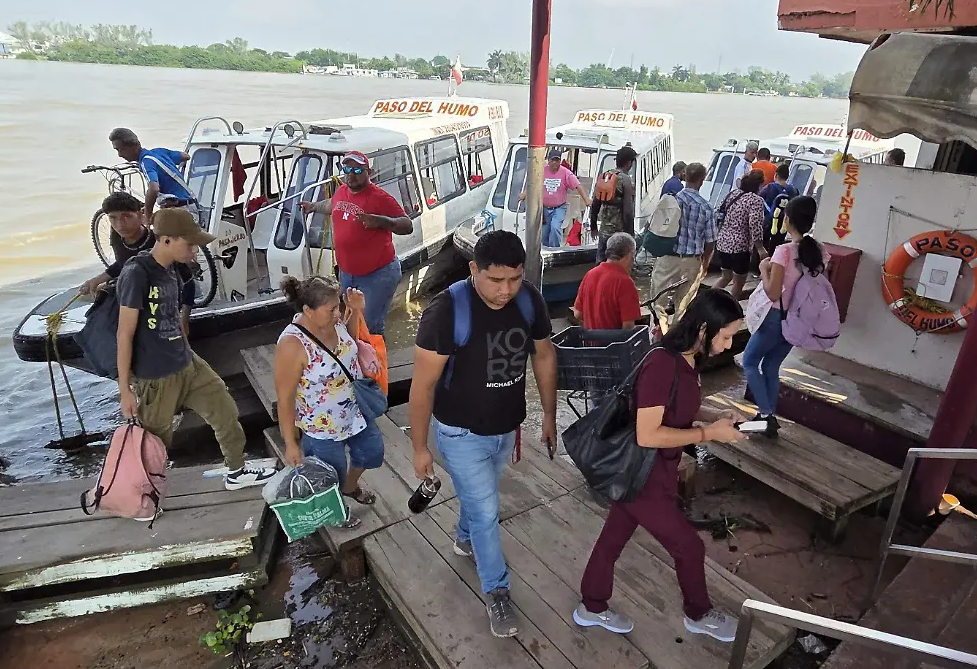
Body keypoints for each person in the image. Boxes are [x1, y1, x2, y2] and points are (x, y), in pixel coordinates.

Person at [409, 230, 558, 638]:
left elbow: (544, 355)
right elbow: (421, 386)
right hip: (459, 433)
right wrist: (419, 448)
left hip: (506, 427)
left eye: (513, 279)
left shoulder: (529, 299)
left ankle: (463, 538)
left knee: (481, 501)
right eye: (495, 281)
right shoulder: (447, 310)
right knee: (488, 512)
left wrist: (548, 413)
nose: (506, 291)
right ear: (474, 269)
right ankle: (497, 591)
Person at [574, 289, 745, 641]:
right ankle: (698, 614)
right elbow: (648, 433)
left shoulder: (688, 360)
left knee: (613, 538)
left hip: (656, 470)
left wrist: (715, 415)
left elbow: (679, 406)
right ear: (703, 330)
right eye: (726, 336)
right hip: (643, 473)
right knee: (689, 546)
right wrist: (708, 435)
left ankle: (591, 606)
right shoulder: (662, 363)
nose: (728, 346)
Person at [116, 208, 275, 494]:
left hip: (187, 362)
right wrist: (125, 388)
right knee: (155, 441)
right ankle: (141, 493)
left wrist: (188, 351)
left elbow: (173, 319)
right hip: (156, 375)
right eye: (189, 244)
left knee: (225, 409)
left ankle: (236, 470)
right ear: (165, 240)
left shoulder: (174, 270)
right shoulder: (136, 273)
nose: (194, 250)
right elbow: (124, 333)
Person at [273, 275, 385, 529]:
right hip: (321, 426)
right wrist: (290, 443)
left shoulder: (335, 322)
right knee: (329, 475)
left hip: (356, 411)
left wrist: (355, 311)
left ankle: (349, 486)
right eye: (332, 309)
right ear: (307, 311)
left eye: (339, 307)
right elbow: (285, 398)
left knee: (372, 452)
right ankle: (336, 511)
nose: (338, 314)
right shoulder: (292, 345)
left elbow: (351, 343)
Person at [300, 151, 413, 335]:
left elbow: (407, 225)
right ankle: (356, 361)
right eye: (347, 169)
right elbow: (331, 205)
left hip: (377, 275)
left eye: (357, 170)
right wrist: (312, 207)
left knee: (369, 327)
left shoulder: (380, 198)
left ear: (369, 172)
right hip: (347, 274)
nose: (351, 174)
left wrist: (383, 221)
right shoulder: (342, 190)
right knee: (350, 320)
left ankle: (376, 363)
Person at [742, 196, 826, 436]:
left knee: (749, 362)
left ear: (787, 220)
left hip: (775, 318)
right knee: (771, 365)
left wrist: (763, 270)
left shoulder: (784, 252)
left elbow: (772, 292)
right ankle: (766, 415)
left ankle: (767, 416)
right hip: (797, 320)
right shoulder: (818, 251)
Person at [81, 193, 196, 333]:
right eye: (113, 218)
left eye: (126, 216)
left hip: (164, 296)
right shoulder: (118, 236)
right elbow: (122, 263)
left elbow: (188, 281)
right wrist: (95, 281)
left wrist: (184, 320)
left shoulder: (160, 241)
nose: (119, 224)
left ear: (141, 215)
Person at [650, 163, 715, 318]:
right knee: (683, 306)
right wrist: (705, 264)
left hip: (667, 258)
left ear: (685, 176)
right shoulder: (706, 207)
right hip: (691, 261)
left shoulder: (671, 200)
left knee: (657, 302)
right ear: (702, 180)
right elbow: (710, 241)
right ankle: (675, 336)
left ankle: (658, 332)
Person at [109, 128, 194, 222]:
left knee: (158, 233)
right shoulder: (159, 152)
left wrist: (148, 213)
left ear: (133, 146)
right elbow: (186, 156)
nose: (119, 155)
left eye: (121, 149)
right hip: (191, 205)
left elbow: (154, 188)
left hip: (179, 211)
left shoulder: (146, 162)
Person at [713, 170, 769, 300]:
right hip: (740, 247)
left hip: (723, 243)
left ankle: (707, 299)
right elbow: (755, 224)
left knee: (725, 277)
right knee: (738, 285)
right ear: (760, 185)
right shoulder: (756, 200)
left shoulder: (732, 194)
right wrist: (760, 248)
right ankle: (729, 310)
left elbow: (719, 213)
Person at [522, 150, 591, 248]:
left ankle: (554, 250)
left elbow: (578, 186)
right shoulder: (541, 171)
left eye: (557, 160)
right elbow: (532, 183)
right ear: (548, 160)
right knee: (544, 233)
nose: (554, 162)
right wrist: (524, 194)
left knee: (555, 227)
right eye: (552, 160)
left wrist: (586, 200)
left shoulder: (566, 173)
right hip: (544, 209)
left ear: (560, 161)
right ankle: (544, 250)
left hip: (559, 208)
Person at [572, 233, 642, 330]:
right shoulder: (625, 282)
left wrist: (596, 322)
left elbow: (578, 313)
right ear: (630, 255)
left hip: (589, 342)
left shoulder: (590, 274)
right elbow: (628, 326)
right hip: (613, 343)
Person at [590, 146, 638, 264]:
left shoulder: (605, 177)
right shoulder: (626, 180)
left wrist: (593, 227)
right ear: (628, 163)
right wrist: (630, 235)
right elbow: (628, 212)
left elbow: (595, 204)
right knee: (617, 265)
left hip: (604, 232)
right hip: (619, 235)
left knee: (600, 263)